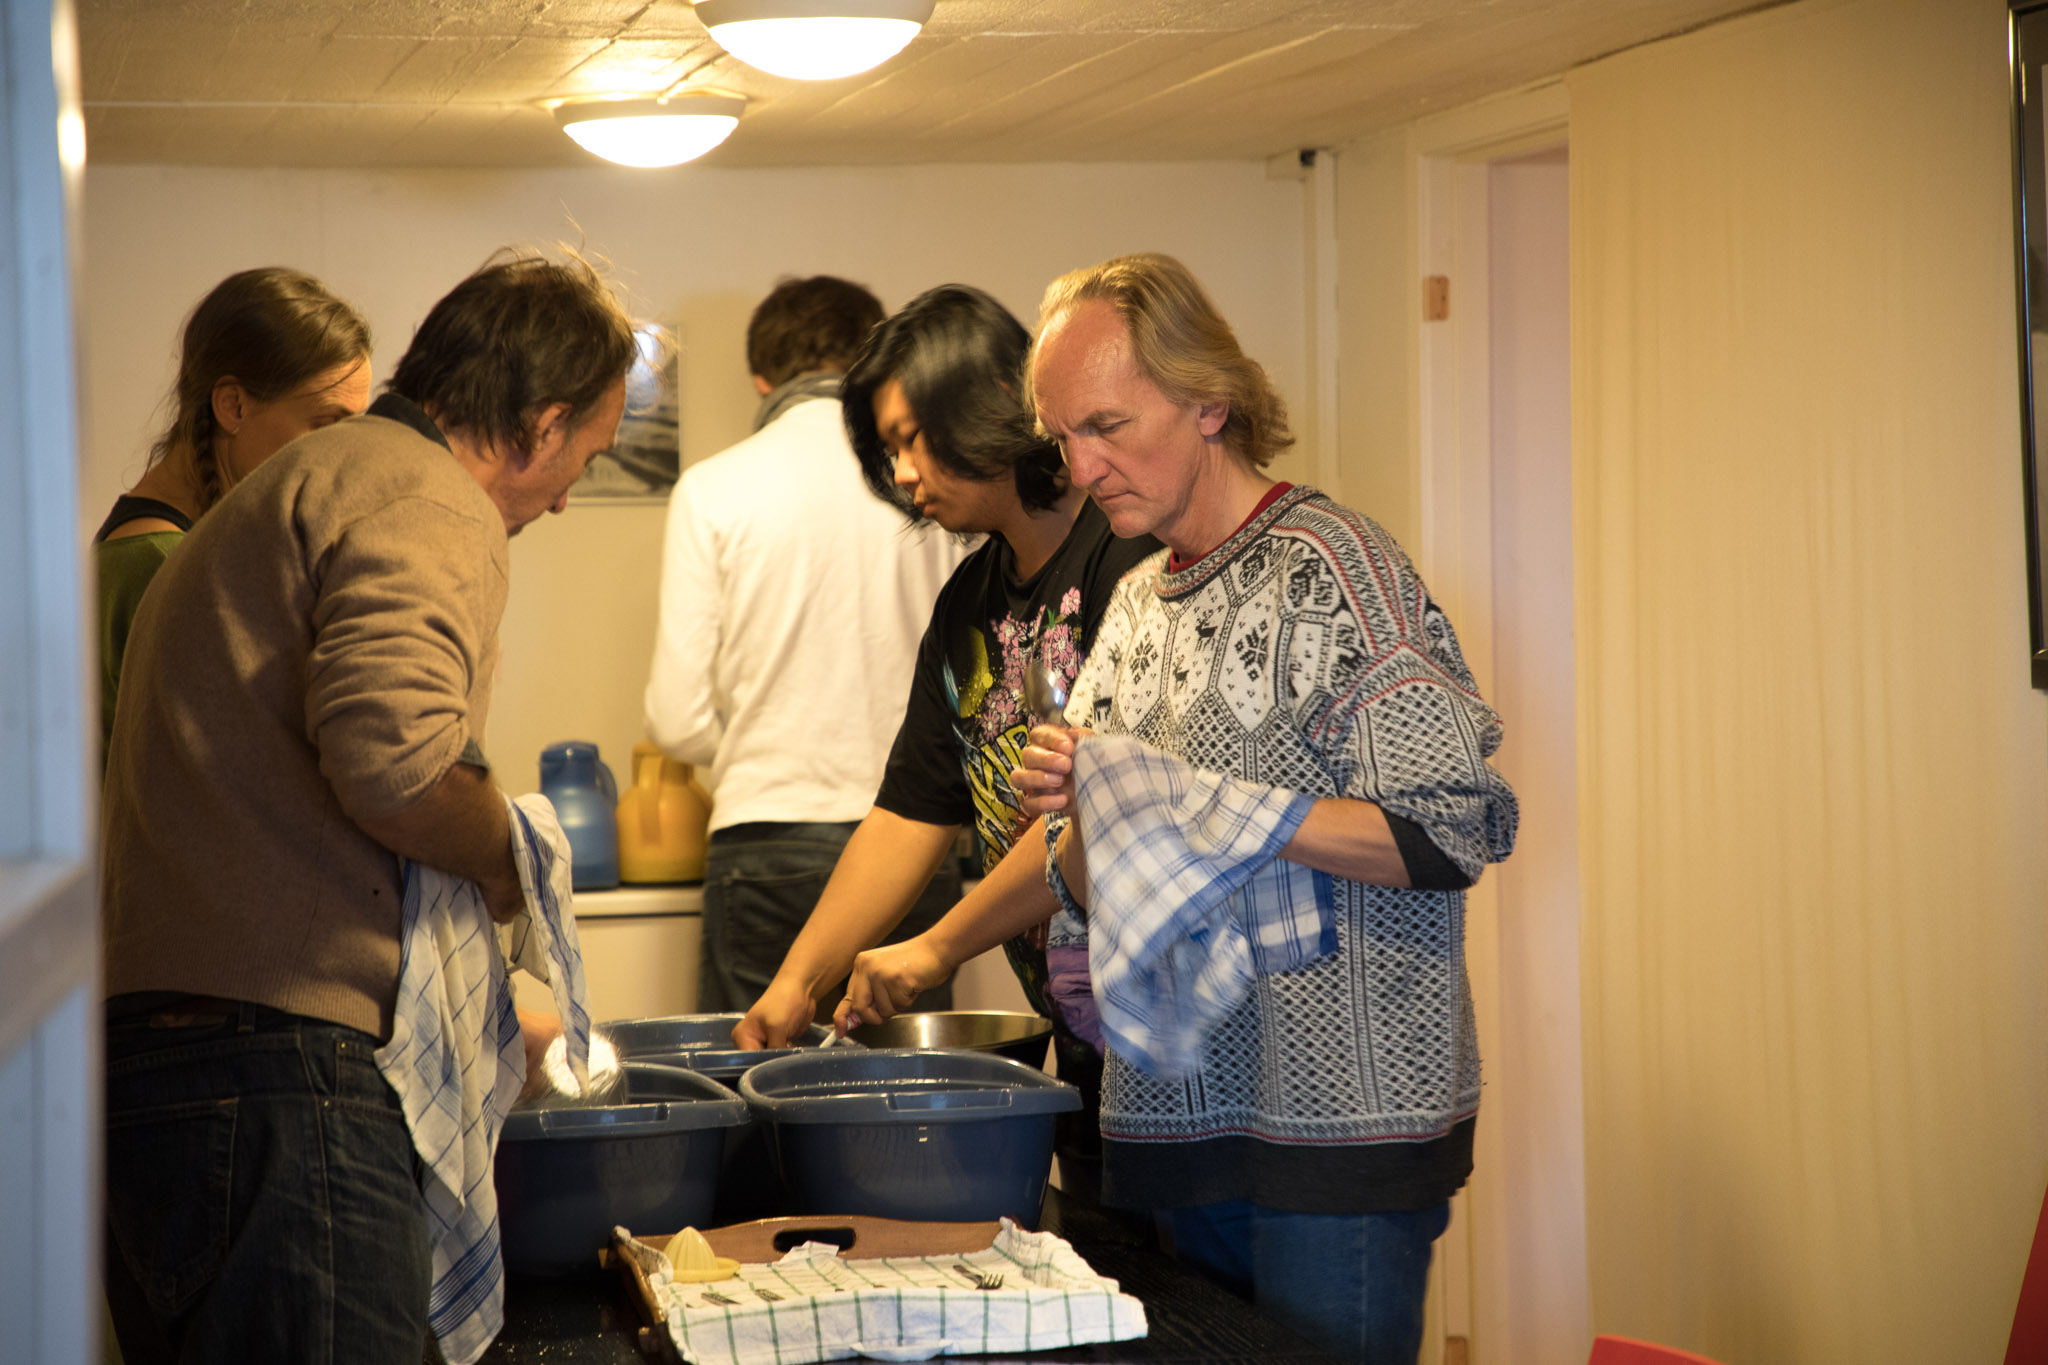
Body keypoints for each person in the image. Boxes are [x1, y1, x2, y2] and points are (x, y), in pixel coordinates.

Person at [841, 252, 1518, 1365]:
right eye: (1062, 435)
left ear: (1209, 401)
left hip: (1340, 1132)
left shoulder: (1336, 570)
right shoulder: (1136, 607)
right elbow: (1083, 863)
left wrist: (1204, 806)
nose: (1079, 466)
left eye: (1106, 425)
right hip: (1189, 1121)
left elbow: (1449, 828)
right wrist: (1078, 821)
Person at [99, 248, 639, 1365]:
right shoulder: (419, 492)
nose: (564, 495)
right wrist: (511, 856)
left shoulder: (293, 486)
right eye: (582, 458)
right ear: (540, 425)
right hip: (279, 1076)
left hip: (171, 1075)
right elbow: (396, 763)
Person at [732, 284, 1162, 1188]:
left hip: (1183, 1042)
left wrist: (936, 945)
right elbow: (910, 814)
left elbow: (1100, 813)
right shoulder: (968, 602)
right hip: (1090, 1049)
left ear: (985, 402)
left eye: (910, 440)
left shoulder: (1127, 558)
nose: (901, 475)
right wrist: (797, 983)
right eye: (887, 451)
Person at [645, 275, 969, 1015]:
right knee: (911, 1082)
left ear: (762, 378)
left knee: (758, 1072)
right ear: (881, 368)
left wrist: (767, 743)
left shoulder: (712, 488)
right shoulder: (929, 487)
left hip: (765, 837)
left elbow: (674, 719)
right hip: (918, 844)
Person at [93, 266, 373, 762]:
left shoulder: (166, 547)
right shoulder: (162, 564)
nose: (343, 456)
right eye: (326, 424)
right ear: (233, 407)